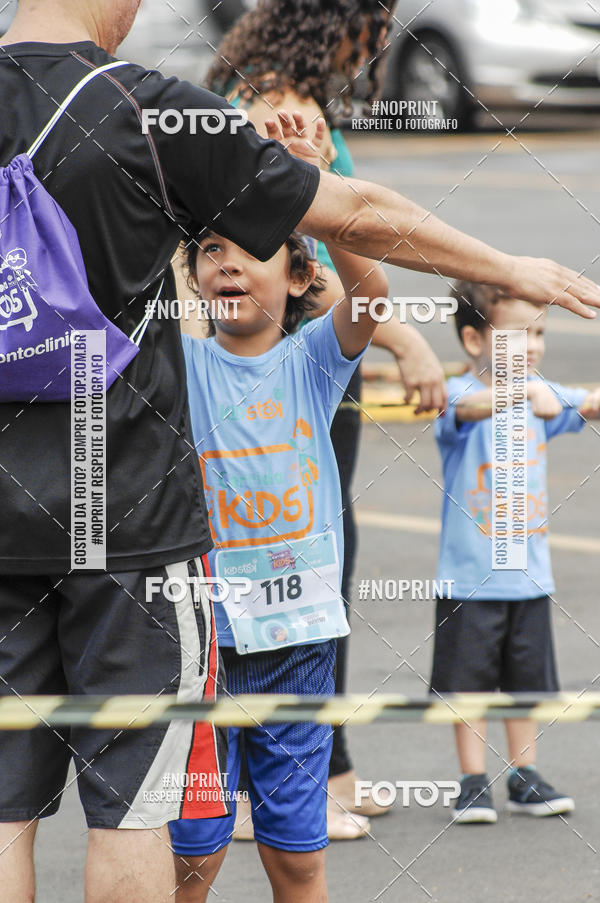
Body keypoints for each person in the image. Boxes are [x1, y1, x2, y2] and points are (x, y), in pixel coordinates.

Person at [1, 3, 599, 900]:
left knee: (8, 813)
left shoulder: (300, 351)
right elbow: (356, 208)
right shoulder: (138, 107)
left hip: (13, 518)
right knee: (135, 814)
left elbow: (352, 271)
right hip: (124, 529)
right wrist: (507, 270)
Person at [205, 0, 448, 838]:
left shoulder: (261, 91)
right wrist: (406, 344)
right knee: (298, 565)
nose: (377, 46)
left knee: (304, 569)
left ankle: (325, 770)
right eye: (372, 26)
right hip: (290, 363)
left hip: (297, 352)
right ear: (332, 24)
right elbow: (324, 235)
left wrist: (395, 336)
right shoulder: (284, 107)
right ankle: (264, 790)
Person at [168, 169, 388, 898]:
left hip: (298, 643)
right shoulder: (183, 362)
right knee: (193, 850)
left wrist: (311, 195)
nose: (226, 260)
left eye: (250, 247)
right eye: (209, 248)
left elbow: (373, 297)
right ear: (195, 276)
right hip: (202, 647)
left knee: (295, 854)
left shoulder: (313, 362)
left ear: (298, 277)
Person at [431, 281, 600, 823]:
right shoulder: (457, 392)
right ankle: (471, 780)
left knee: (526, 684)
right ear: (474, 340)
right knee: (469, 685)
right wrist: (525, 395)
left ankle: (525, 775)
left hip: (529, 576)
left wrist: (571, 400)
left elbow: (590, 404)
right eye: (516, 336)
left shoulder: (540, 390)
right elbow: (469, 410)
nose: (530, 348)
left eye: (540, 335)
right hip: (469, 579)